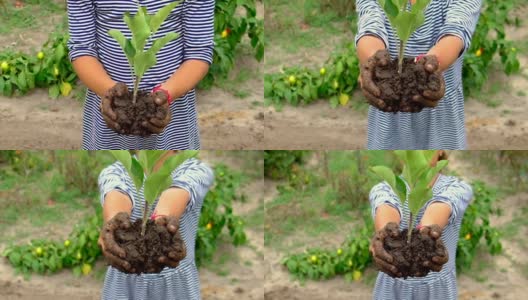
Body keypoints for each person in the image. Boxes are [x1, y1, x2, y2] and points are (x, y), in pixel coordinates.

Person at [67, 0, 214, 149]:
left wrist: (166, 94)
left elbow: (199, 51)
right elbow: (82, 48)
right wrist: (111, 93)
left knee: (172, 158)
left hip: (174, 115)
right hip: (108, 110)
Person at [356, 0, 483, 149]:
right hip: (388, 106)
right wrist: (375, 62)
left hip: (440, 111)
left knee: (443, 142)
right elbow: (370, 25)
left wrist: (430, 67)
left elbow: (457, 30)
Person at [97, 151, 214, 299]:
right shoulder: (117, 171)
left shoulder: (195, 169)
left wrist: (161, 220)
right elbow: (117, 194)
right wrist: (114, 222)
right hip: (124, 286)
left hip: (176, 289)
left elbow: (178, 192)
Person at [369, 150, 473, 300]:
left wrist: (427, 233)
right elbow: (386, 206)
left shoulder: (457, 187)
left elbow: (442, 205)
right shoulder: (386, 188)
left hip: (437, 292)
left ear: (441, 149)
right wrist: (384, 232)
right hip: (392, 289)